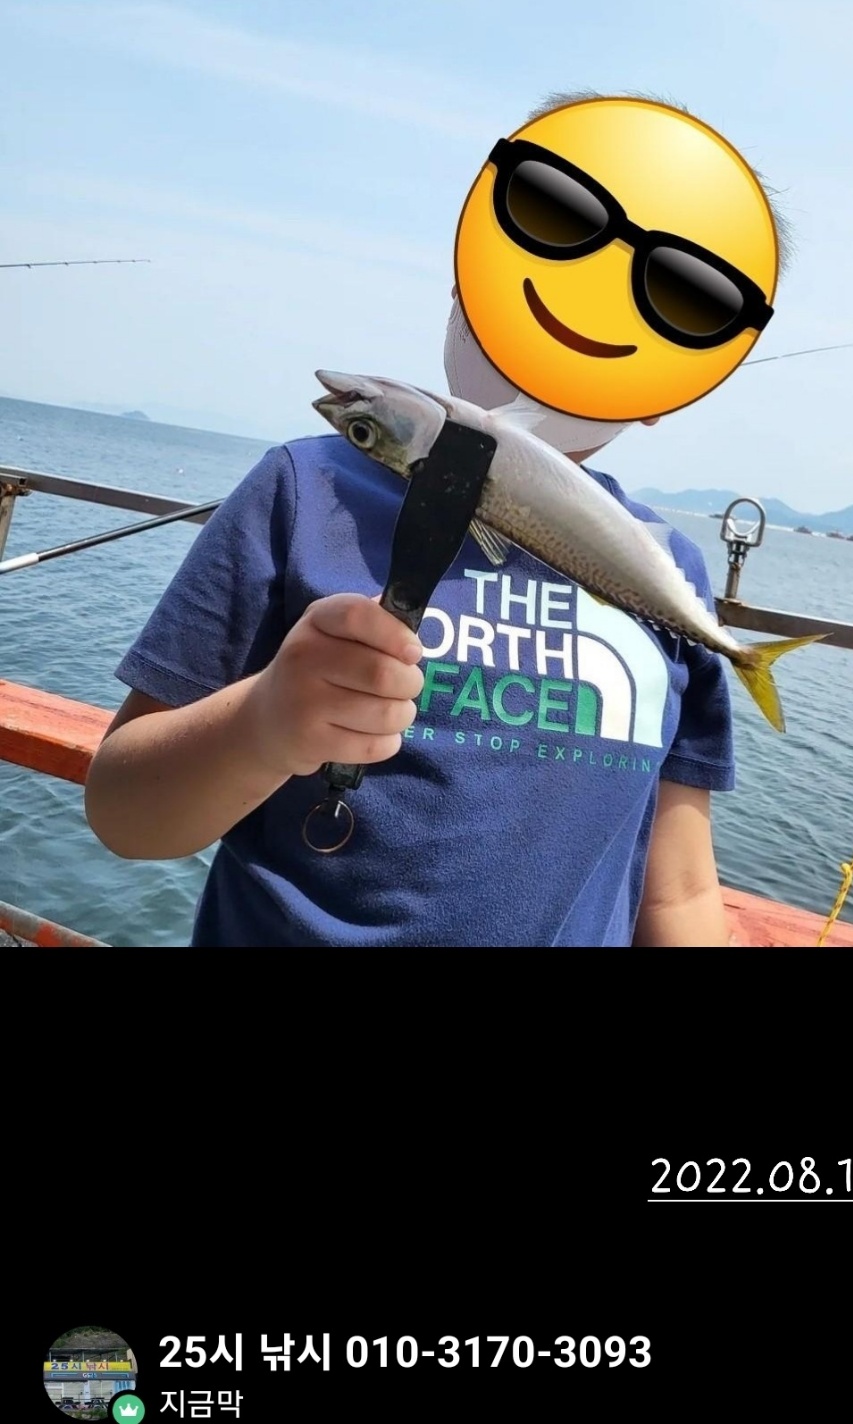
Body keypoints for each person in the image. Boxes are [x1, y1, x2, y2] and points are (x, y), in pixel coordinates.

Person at [85, 92, 787, 948]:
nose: (584, 308)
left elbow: (677, 894)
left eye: (680, 297)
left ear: (672, 388)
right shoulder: (305, 491)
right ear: (464, 282)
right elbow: (124, 813)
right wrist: (262, 726)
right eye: (551, 219)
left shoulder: (669, 570)